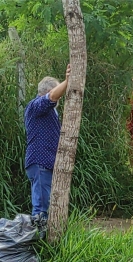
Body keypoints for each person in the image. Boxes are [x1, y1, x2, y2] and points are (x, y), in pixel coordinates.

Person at [24, 64, 71, 220]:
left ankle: (42, 238)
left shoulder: (48, 111)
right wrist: (67, 81)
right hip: (40, 163)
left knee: (46, 206)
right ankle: (36, 240)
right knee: (41, 208)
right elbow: (51, 97)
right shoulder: (35, 106)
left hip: (45, 164)